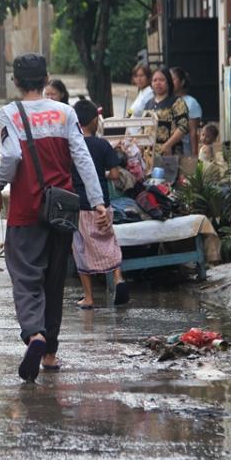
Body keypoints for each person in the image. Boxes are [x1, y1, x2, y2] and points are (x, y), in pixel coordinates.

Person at [0, 53, 107, 382]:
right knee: (54, 282)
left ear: (15, 81)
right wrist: (97, 202)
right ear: (46, 77)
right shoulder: (65, 112)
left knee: (25, 278)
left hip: (26, 210)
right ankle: (50, 353)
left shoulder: (10, 113)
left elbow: (9, 156)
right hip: (63, 210)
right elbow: (81, 157)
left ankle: (34, 334)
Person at [71, 100, 129, 309]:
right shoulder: (103, 145)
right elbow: (114, 175)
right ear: (95, 121)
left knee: (81, 247)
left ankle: (89, 297)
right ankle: (118, 277)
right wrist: (99, 174)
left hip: (80, 205)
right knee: (108, 239)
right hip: (103, 203)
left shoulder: (72, 146)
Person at [143, 67, 189, 156]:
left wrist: (167, 145)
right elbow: (142, 128)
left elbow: (183, 126)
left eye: (161, 80)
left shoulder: (177, 102)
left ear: (168, 82)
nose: (157, 83)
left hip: (169, 152)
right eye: (154, 80)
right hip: (148, 154)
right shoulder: (148, 104)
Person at [170, 67, 202, 157]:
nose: (170, 82)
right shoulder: (167, 101)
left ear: (182, 82)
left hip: (184, 152)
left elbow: (193, 132)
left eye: (173, 79)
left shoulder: (191, 103)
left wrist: (194, 155)